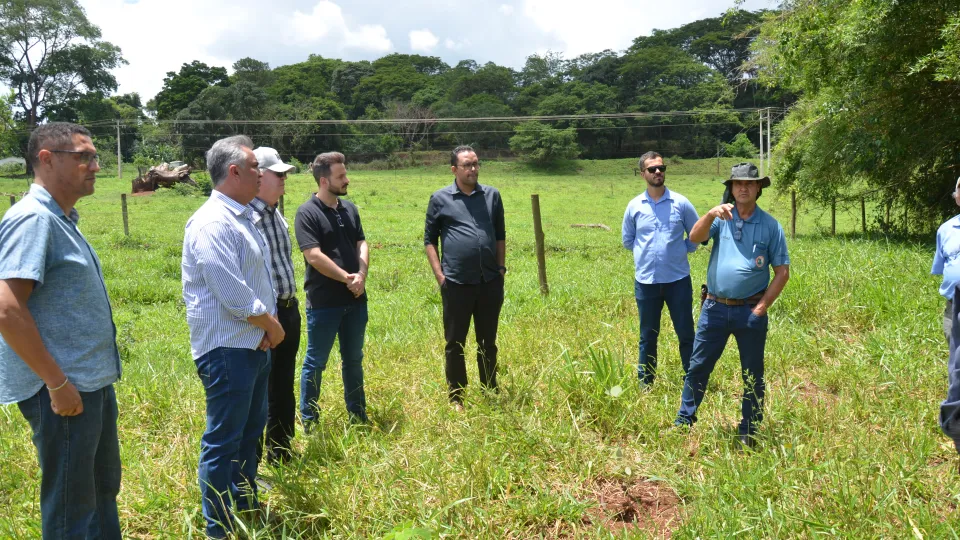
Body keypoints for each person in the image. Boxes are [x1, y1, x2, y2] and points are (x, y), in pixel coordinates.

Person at [0, 122, 122, 539]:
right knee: (73, 506)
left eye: (94, 157)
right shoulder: (34, 220)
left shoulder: (63, 219)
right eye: (83, 157)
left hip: (90, 383)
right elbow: (6, 308)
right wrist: (56, 383)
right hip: (64, 392)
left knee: (101, 491)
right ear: (47, 159)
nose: (95, 166)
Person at [182, 135, 285, 538]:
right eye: (256, 167)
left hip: (253, 343)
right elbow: (232, 290)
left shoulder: (243, 216)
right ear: (234, 172)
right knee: (224, 438)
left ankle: (244, 505)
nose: (262, 173)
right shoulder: (211, 222)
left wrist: (264, 329)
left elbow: (258, 280)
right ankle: (218, 527)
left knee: (248, 433)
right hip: (227, 351)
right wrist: (270, 325)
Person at [674, 162, 790, 449]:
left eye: (749, 183)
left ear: (758, 187)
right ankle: (684, 421)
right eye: (738, 183)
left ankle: (749, 430)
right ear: (731, 187)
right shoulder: (720, 218)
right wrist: (711, 212)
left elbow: (782, 272)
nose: (743, 188)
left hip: (749, 311)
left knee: (752, 373)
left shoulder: (770, 226)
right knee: (698, 366)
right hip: (714, 308)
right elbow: (694, 237)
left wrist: (760, 309)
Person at [424, 145, 506, 406]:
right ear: (454, 169)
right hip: (456, 283)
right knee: (455, 343)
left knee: (488, 341)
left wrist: (501, 269)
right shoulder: (440, 199)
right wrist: (440, 276)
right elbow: (429, 241)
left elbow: (500, 235)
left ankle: (490, 390)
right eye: (467, 165)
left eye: (476, 164)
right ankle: (457, 396)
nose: (473, 169)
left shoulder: (492, 196)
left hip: (489, 282)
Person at [295, 152, 370, 425]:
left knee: (354, 360)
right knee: (316, 362)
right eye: (341, 176)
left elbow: (361, 242)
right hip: (325, 302)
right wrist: (347, 278)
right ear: (324, 181)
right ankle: (310, 420)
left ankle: (358, 415)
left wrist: (361, 274)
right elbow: (313, 255)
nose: (347, 180)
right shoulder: (307, 213)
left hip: (356, 300)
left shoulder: (349, 209)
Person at [622, 151, 699, 386]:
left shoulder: (681, 203)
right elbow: (628, 240)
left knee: (686, 333)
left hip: (678, 281)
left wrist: (680, 250)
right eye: (652, 169)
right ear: (642, 173)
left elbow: (695, 234)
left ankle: (692, 379)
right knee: (647, 336)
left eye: (661, 168)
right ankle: (646, 382)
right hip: (646, 283)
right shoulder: (634, 206)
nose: (658, 172)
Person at [249, 147, 301, 463]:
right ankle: (251, 460)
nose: (284, 179)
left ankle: (281, 451)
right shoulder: (247, 218)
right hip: (266, 315)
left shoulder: (276, 213)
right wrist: (266, 319)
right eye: (278, 174)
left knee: (283, 383)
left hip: (289, 308)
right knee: (261, 389)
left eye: (285, 174)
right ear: (258, 176)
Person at [932, 177, 960, 344]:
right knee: (954, 348)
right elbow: (943, 268)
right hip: (954, 304)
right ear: (956, 196)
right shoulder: (945, 229)